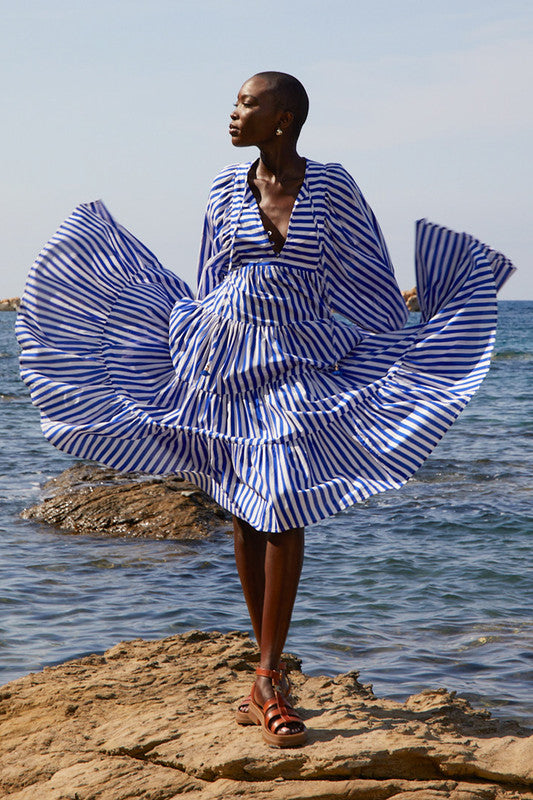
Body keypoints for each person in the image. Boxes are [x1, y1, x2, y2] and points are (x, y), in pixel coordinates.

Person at [16, 72, 515, 749]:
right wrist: (188, 353)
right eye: (234, 102)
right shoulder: (225, 189)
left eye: (246, 103)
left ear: (282, 116)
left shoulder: (331, 187)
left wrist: (388, 347)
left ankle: (270, 675)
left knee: (280, 500)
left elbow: (364, 276)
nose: (232, 113)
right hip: (223, 353)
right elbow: (207, 280)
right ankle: (264, 676)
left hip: (301, 356)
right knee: (247, 509)